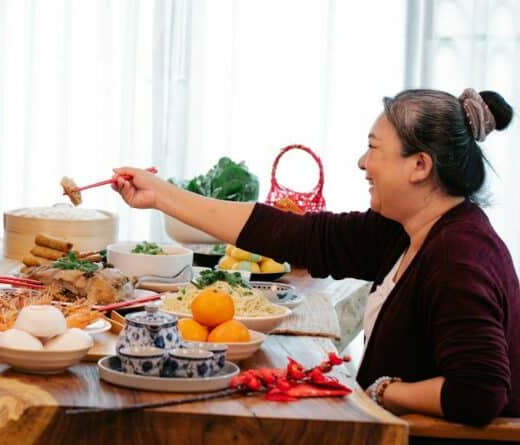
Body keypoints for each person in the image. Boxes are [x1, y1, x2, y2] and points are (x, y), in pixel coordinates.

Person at [112, 88, 519, 426]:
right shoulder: (402, 230)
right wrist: (160, 194)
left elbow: (478, 393)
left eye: (373, 148)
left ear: (419, 165)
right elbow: (292, 233)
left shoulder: (458, 258)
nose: (362, 162)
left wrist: (380, 391)